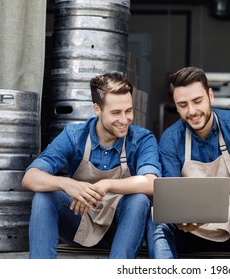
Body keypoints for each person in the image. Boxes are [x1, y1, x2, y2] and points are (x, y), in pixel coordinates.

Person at [22, 72, 161, 259]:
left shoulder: (142, 139)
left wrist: (107, 184)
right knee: (44, 197)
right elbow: (30, 177)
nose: (125, 119)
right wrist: (66, 184)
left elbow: (152, 183)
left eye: (128, 111)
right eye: (116, 113)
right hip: (79, 224)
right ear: (97, 109)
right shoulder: (74, 136)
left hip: (121, 230)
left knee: (139, 199)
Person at [146, 66, 230, 259]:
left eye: (197, 101)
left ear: (210, 96)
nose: (191, 111)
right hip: (189, 232)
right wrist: (181, 217)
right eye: (182, 105)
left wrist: (217, 189)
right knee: (155, 215)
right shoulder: (171, 138)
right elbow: (169, 194)